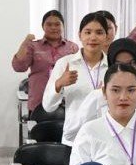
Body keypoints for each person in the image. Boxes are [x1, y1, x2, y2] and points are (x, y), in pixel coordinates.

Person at [42, 12, 111, 144]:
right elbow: (48, 106)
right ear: (80, 35)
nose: (93, 37)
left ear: (106, 36)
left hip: (105, 139)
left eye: (99, 32)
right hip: (74, 139)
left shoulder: (113, 66)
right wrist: (59, 84)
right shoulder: (65, 64)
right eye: (88, 32)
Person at [11, 10, 79, 114]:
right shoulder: (33, 46)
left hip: (66, 102)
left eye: (57, 24)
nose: (53, 27)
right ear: (43, 26)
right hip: (39, 101)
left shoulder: (72, 47)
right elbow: (19, 67)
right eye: (49, 24)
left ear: (63, 26)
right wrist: (25, 43)